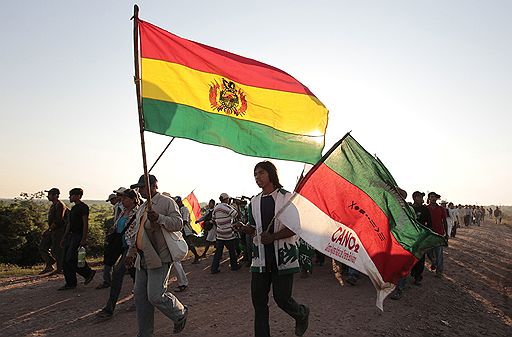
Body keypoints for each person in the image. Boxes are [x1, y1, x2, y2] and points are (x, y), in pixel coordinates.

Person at [234, 161, 309, 337]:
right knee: (259, 303)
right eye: (255, 174)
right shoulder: (254, 201)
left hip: (283, 257)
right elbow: (255, 229)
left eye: (261, 173)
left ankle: (302, 313)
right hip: (260, 259)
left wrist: (274, 237)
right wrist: (245, 228)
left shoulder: (286, 198)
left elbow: (296, 227)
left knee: (282, 299)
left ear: (271, 174)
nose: (257, 177)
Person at [126, 174, 188, 335]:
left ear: (154, 186)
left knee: (155, 296)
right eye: (139, 187)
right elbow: (137, 233)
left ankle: (180, 312)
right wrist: (131, 253)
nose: (140, 190)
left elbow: (178, 224)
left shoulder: (166, 202)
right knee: (141, 298)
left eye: (143, 186)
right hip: (142, 257)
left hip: (159, 256)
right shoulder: (142, 207)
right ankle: (145, 333)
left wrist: (159, 218)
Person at [96, 189, 140, 319]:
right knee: (135, 275)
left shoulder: (137, 212)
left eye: (125, 198)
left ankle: (109, 308)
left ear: (132, 199)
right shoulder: (123, 212)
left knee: (118, 273)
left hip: (131, 247)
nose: (122, 200)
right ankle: (140, 300)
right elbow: (117, 227)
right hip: (120, 246)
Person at [59, 188, 96, 290]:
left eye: (71, 195)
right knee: (65, 261)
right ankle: (70, 283)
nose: (70, 197)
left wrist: (83, 238)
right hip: (71, 236)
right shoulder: (73, 208)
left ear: (78, 196)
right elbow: (69, 224)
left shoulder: (83, 207)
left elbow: (85, 223)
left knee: (71, 259)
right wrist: (64, 237)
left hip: (78, 235)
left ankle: (88, 272)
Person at [97, 190, 126, 289]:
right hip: (118, 234)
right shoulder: (120, 207)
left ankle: (108, 280)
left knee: (111, 258)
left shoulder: (126, 208)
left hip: (122, 236)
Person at [39, 188, 68, 274]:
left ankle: (60, 269)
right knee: (42, 247)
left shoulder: (60, 205)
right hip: (53, 230)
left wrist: (49, 230)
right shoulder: (53, 205)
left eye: (50, 194)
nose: (48, 196)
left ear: (55, 195)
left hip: (59, 231)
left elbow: (58, 221)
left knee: (57, 250)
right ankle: (50, 264)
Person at [211, 193, 240, 274]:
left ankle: (214, 269)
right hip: (228, 233)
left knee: (218, 252)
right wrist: (236, 205)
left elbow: (213, 219)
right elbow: (236, 215)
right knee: (232, 251)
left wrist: (219, 226)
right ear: (227, 199)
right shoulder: (227, 207)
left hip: (220, 233)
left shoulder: (216, 207)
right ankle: (234, 266)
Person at [427, 192, 448, 277]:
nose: (433, 198)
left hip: (439, 233)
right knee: (428, 252)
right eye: (431, 197)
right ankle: (434, 262)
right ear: (429, 198)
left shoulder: (441, 209)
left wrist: (446, 233)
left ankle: (439, 271)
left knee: (439, 253)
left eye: (434, 197)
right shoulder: (426, 208)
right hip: (428, 233)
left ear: (436, 198)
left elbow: (445, 221)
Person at [175, 196, 201, 264]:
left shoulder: (184, 209)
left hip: (185, 230)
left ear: (180, 202)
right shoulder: (180, 209)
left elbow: (185, 221)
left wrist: (179, 228)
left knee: (189, 244)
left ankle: (196, 256)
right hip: (182, 230)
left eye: (177, 202)